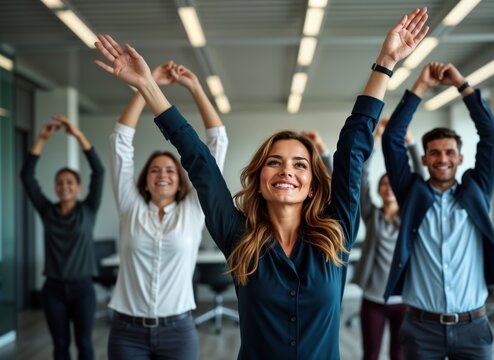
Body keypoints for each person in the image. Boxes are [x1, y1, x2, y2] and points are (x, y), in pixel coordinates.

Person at [93, 7, 428, 358]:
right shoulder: (239, 238)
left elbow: (353, 146)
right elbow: (200, 162)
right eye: (274, 162)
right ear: (260, 179)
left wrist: (385, 62)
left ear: (312, 185)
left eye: (300, 165)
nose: (287, 171)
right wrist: (147, 85)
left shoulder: (337, 232)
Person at [381, 62, 494, 360]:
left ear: (460, 158)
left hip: (473, 327)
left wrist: (462, 85)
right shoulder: (411, 194)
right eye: (435, 153)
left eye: (450, 152)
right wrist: (421, 87)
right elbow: (392, 140)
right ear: (425, 159)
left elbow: (493, 138)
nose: (443, 159)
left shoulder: (477, 191)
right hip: (421, 328)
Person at [106, 61, 228, 359]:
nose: (163, 174)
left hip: (179, 330)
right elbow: (120, 141)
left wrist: (196, 88)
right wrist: (146, 85)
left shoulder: (194, 209)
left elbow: (217, 143)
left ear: (181, 180)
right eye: (156, 170)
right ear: (145, 181)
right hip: (127, 332)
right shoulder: (129, 206)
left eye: (171, 171)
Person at [20, 116, 104, 360]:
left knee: (85, 344)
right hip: (53, 289)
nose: (64, 186)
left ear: (78, 187)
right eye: (59, 183)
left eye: (70, 182)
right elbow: (27, 177)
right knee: (60, 345)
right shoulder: (47, 211)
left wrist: (78, 136)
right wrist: (42, 139)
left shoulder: (87, 210)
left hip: (83, 288)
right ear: (55, 187)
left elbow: (98, 172)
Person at [351, 118, 423, 360]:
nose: (388, 187)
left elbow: (420, 178)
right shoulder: (371, 215)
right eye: (384, 184)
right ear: (380, 190)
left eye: (392, 183)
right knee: (370, 354)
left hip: (404, 299)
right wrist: (376, 139)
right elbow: (360, 176)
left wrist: (410, 143)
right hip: (373, 298)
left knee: (399, 355)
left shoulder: (410, 216)